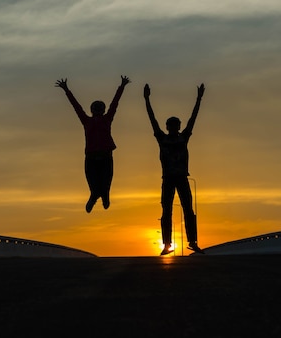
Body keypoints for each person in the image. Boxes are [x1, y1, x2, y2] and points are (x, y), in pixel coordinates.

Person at [144, 82, 205, 255]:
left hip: (181, 178)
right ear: (168, 127)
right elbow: (152, 119)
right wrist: (146, 100)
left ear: (178, 126)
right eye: (171, 126)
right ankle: (167, 244)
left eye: (175, 125)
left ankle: (192, 242)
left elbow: (193, 118)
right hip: (168, 179)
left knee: (188, 210)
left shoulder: (183, 138)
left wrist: (199, 98)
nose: (173, 128)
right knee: (167, 211)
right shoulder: (162, 139)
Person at [56, 76, 131, 213]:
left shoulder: (106, 119)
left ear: (102, 110)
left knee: (106, 182)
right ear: (92, 110)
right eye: (95, 108)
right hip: (91, 157)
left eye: (99, 108)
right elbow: (76, 106)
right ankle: (94, 196)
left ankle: (105, 196)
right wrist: (66, 90)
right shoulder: (87, 121)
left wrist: (122, 87)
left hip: (105, 156)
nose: (97, 111)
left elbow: (114, 104)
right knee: (94, 184)